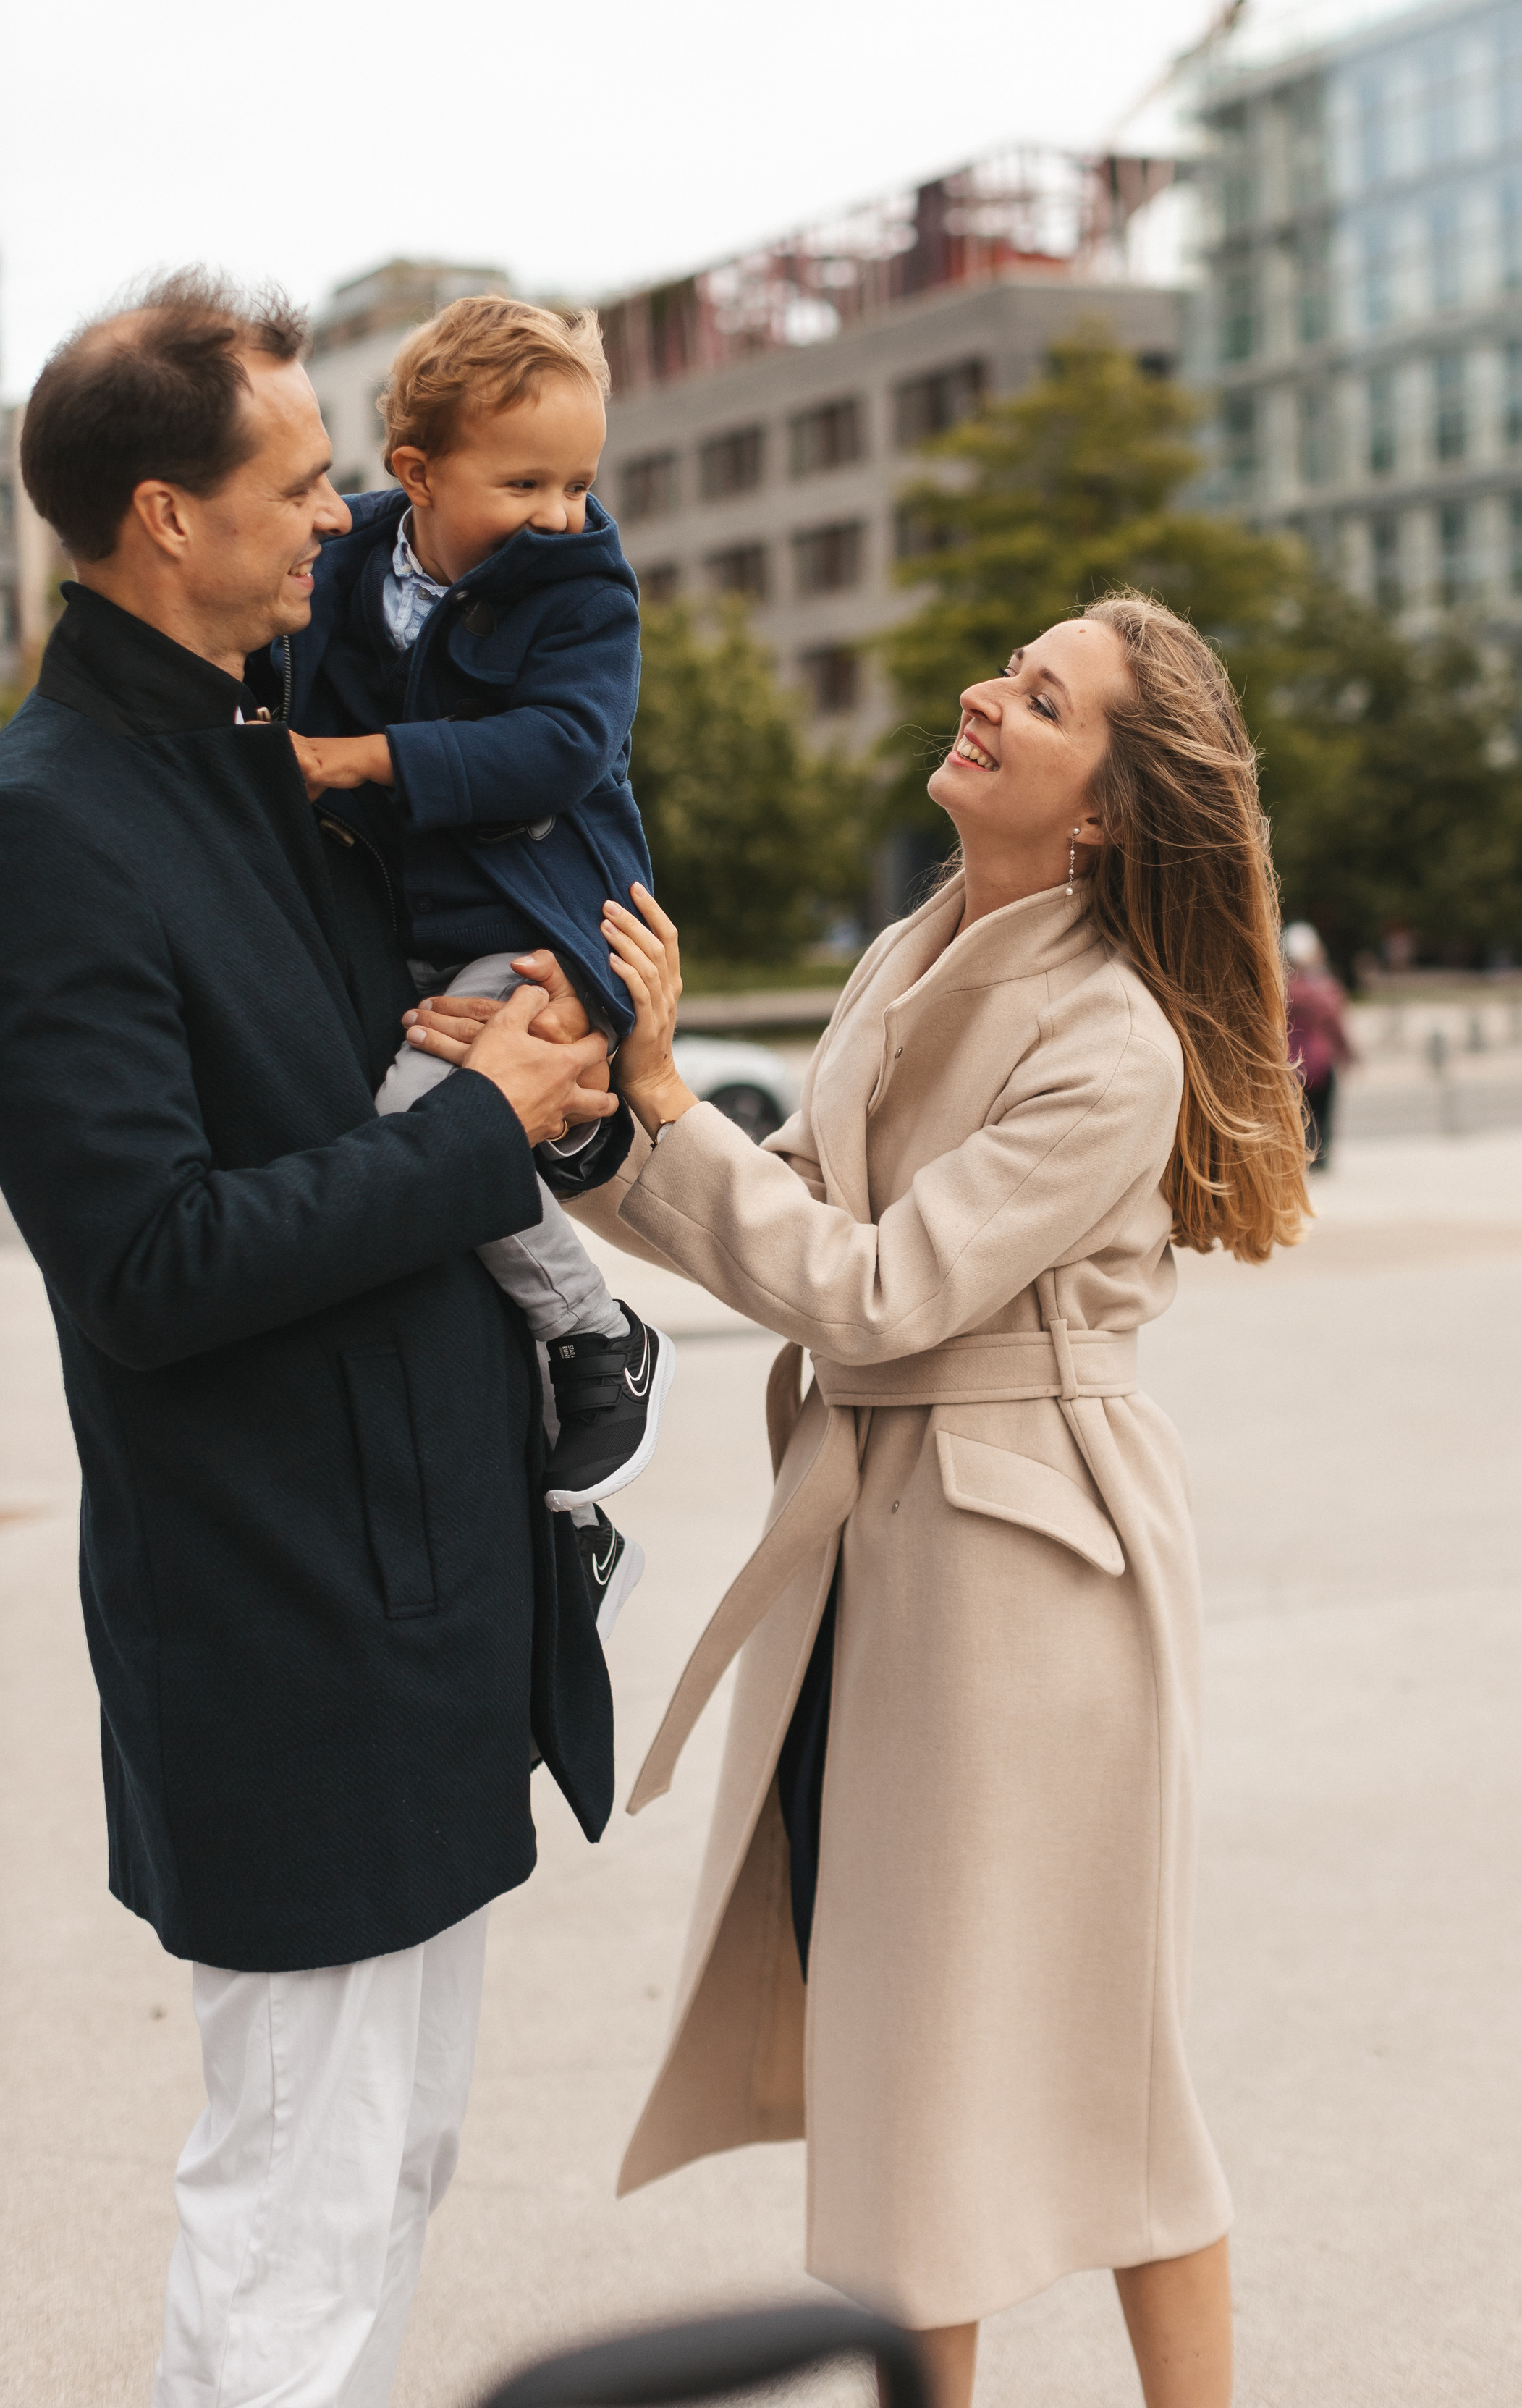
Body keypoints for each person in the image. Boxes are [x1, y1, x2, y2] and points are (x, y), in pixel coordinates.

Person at [416, 593, 1309, 2408]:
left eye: (1039, 698)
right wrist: (584, 1121)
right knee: (921, 2057)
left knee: (1072, 2066)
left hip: (1027, 1577)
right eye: (1010, 668)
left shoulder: (1114, 1041)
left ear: (1108, 810)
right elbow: (794, 1214)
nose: (987, 695)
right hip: (896, 1547)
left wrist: (656, 1097)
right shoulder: (912, 950)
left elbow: (879, 1288)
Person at [0, 273, 622, 2408]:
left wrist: (569, 1056)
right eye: (299, 483)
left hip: (424, 1589)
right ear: (165, 517)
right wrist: (476, 1133)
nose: (342, 514)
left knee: (393, 2173)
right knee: (296, 2201)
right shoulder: (50, 819)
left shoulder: (273, 751)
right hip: (283, 1612)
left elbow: (430, 1052)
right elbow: (149, 1258)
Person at [264, 293, 672, 1615]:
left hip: (540, 913)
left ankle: (596, 1331)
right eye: (526, 483)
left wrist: (364, 760)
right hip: (411, 927)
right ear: (416, 475)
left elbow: (564, 746)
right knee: (364, 1139)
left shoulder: (582, 584)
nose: (561, 512)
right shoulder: (343, 561)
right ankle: (544, 1526)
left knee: (418, 1127)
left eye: (579, 481)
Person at [1282, 919, 1355, 1169]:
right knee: (1322, 1113)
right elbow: (1335, 1023)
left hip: (1289, 1061)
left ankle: (1303, 1156)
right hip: (1320, 1060)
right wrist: (1347, 1053)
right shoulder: (1322, 987)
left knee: (1298, 1114)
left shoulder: (1280, 987)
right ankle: (1320, 1157)